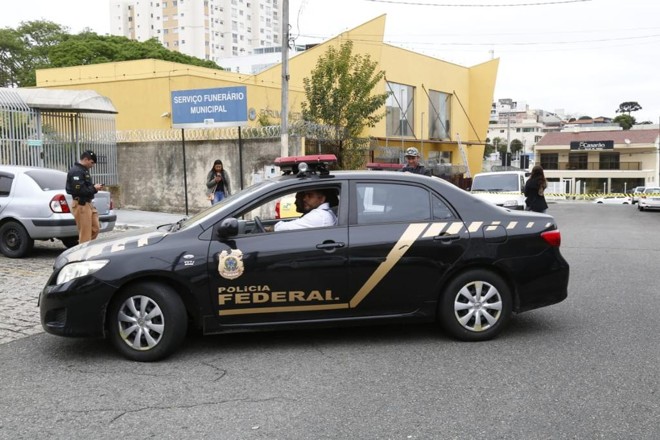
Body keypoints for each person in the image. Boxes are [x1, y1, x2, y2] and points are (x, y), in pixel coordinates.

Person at [66, 150, 103, 244]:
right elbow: (79, 190)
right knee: (85, 233)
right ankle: (82, 255)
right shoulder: (76, 172)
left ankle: (85, 247)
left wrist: (94, 187)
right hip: (81, 204)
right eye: (92, 162)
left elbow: (85, 187)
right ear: (86, 159)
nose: (93, 165)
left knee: (95, 228)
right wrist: (94, 188)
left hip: (88, 203)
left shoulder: (83, 170)